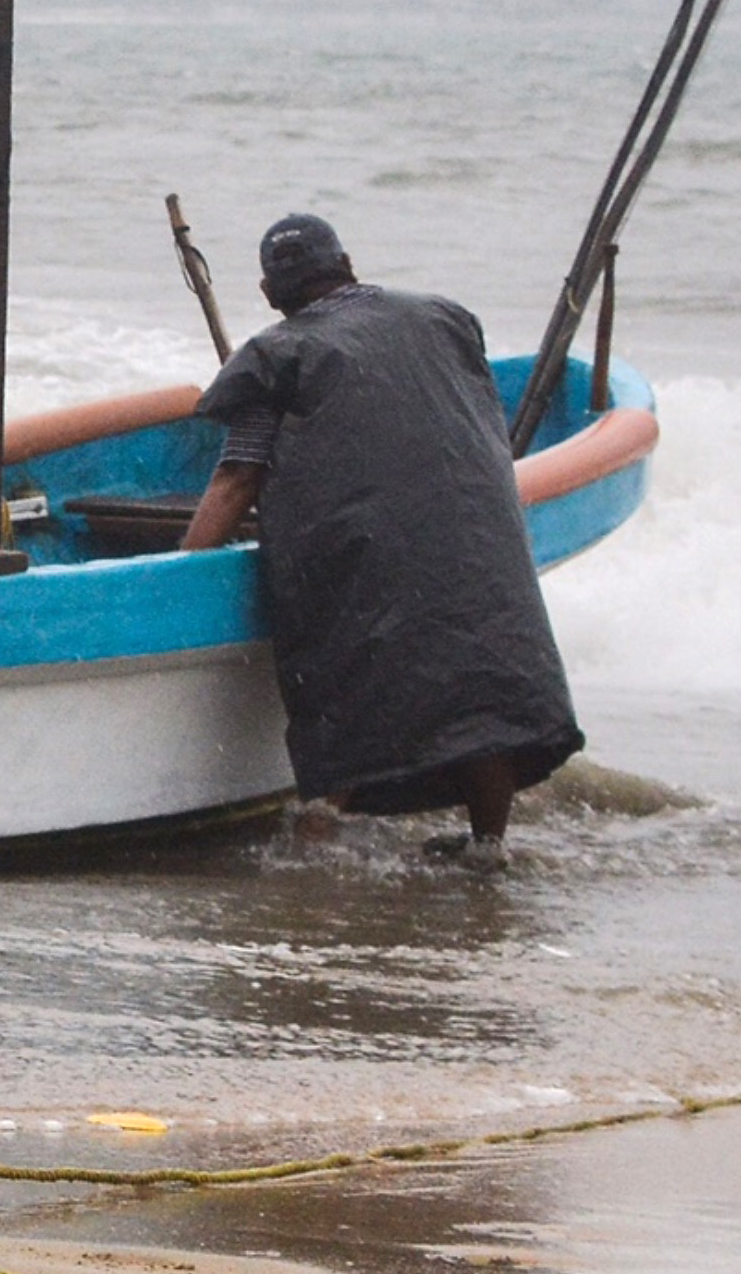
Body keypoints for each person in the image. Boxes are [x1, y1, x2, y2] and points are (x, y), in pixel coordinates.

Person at [179, 214, 581, 872]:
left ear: (268, 290)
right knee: (484, 695)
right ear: (348, 263)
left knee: (344, 693)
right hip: (474, 541)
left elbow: (236, 479)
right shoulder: (446, 319)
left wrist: (184, 568)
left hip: (365, 557)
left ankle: (311, 859)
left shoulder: (276, 355)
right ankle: (487, 846)